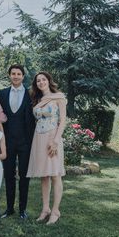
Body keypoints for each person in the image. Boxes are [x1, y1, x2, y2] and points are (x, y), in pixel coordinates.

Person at [26, 72, 67, 225]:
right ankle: (45, 209)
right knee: (44, 175)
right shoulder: (37, 100)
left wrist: (56, 140)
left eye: (43, 79)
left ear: (49, 81)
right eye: (38, 80)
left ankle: (56, 211)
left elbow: (63, 120)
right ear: (36, 84)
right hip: (39, 138)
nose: (41, 82)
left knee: (55, 174)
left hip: (52, 137)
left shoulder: (59, 97)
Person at [0, 64, 35, 220]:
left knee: (25, 176)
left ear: (23, 76)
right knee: (9, 175)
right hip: (7, 142)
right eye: (13, 73)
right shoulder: (2, 94)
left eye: (19, 73)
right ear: (9, 75)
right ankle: (10, 208)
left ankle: (22, 210)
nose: (16, 76)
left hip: (25, 142)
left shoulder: (31, 94)